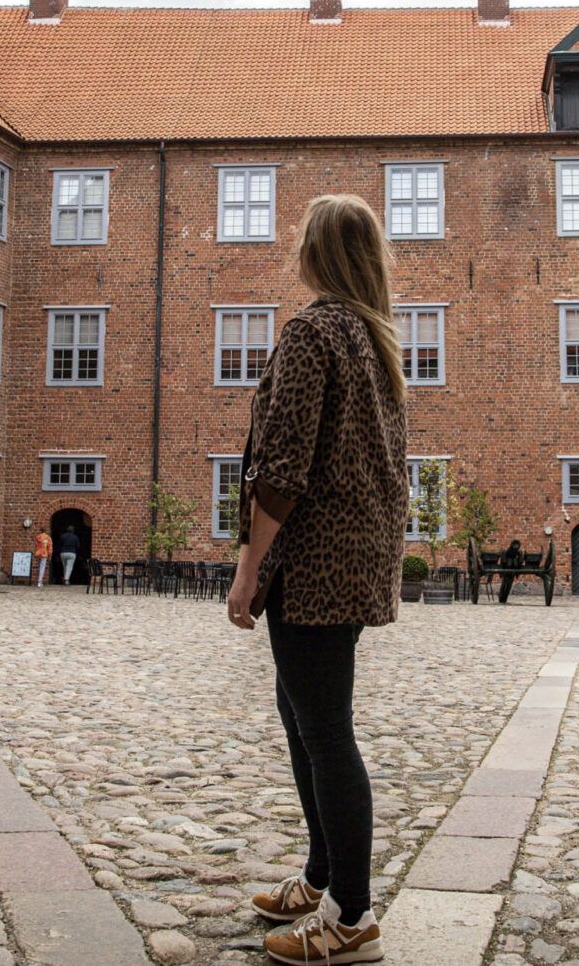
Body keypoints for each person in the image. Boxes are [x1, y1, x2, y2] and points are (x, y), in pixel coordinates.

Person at [228, 194, 409, 965]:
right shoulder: (375, 337)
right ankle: (322, 874)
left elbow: (283, 469)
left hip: (314, 561)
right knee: (304, 708)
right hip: (356, 552)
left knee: (325, 726)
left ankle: (352, 915)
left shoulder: (313, 331)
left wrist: (246, 570)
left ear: (317, 253)